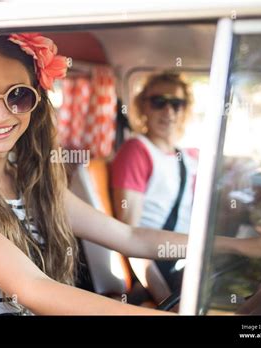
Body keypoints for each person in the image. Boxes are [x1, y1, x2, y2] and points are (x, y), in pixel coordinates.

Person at [0, 34, 261, 315]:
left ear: (36, 102)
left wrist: (242, 247)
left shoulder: (31, 179)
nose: (1, 114)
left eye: (18, 96)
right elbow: (33, 290)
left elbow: (131, 237)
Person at [110, 72, 205, 302]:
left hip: (189, 261)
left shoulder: (186, 156)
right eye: (158, 102)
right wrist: (165, 299)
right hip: (162, 271)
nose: (168, 111)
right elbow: (128, 236)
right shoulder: (137, 151)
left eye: (176, 103)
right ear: (143, 106)